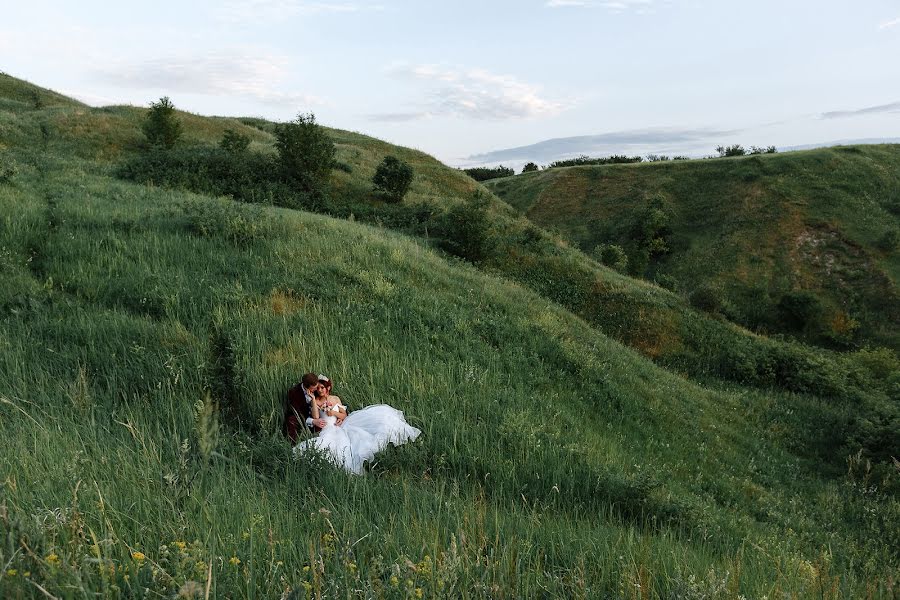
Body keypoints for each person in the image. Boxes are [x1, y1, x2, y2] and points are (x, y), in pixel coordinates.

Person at [293, 375, 421, 474]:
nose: (320, 390)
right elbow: (315, 417)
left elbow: (344, 415)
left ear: (328, 388)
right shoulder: (316, 401)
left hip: (339, 425)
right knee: (329, 444)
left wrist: (335, 414)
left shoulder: (335, 399)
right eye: (318, 388)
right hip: (328, 428)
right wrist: (314, 400)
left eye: (322, 388)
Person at [283, 373, 327, 446]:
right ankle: (292, 445)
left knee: (323, 424)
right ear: (306, 387)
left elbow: (328, 397)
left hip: (316, 413)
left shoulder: (317, 387)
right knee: (291, 420)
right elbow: (296, 412)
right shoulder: (294, 392)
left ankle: (319, 443)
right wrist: (312, 421)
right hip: (300, 415)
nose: (317, 390)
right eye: (314, 388)